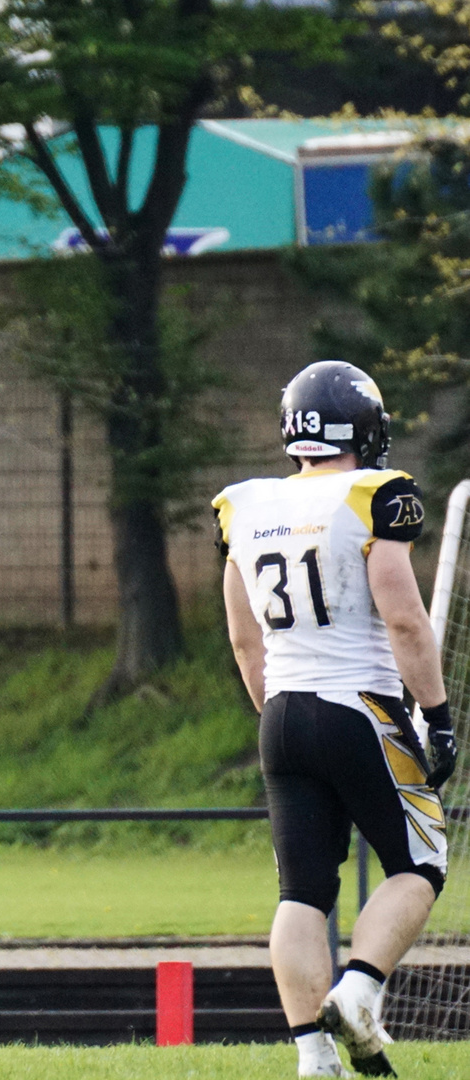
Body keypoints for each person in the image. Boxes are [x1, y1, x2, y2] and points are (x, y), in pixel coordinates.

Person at [214, 360, 457, 1078]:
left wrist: (280, 717)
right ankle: (359, 990)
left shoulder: (245, 504)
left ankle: (313, 1057)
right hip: (360, 705)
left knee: (303, 891)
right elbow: (405, 620)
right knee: (420, 863)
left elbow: (242, 638)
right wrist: (437, 718)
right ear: (366, 429)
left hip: (282, 712)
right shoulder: (373, 494)